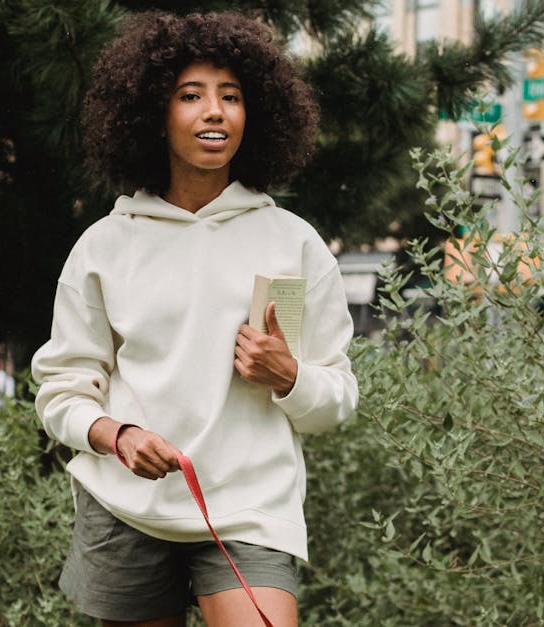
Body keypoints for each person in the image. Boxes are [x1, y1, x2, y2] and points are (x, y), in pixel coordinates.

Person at [31, 11, 358, 627]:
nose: (216, 112)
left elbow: (336, 400)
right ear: (153, 115)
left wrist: (288, 376)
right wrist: (118, 435)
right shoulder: (105, 245)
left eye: (231, 97)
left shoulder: (295, 243)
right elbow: (61, 391)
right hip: (126, 508)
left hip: (250, 510)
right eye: (191, 96)